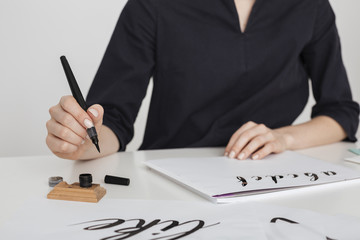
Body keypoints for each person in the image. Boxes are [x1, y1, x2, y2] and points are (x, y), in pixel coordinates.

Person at [46, 0, 359, 160]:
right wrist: (81, 143)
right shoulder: (152, 6)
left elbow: (341, 113)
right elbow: (111, 121)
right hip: (170, 182)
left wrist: (283, 139)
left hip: (273, 179)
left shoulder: (311, 6)